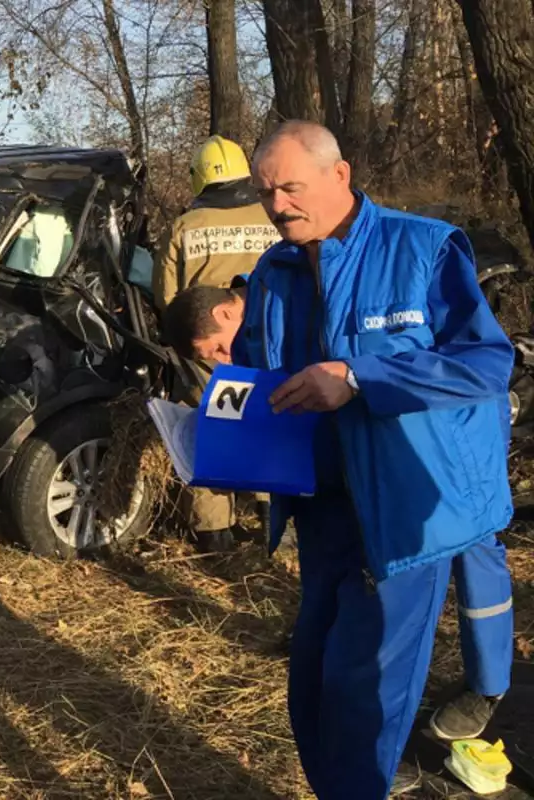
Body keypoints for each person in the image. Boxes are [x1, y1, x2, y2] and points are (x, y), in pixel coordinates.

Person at [229, 120, 514, 798]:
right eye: (266, 193)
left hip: (403, 517)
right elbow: (259, 374)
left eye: (290, 188)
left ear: (340, 176)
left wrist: (359, 378)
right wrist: (218, 412)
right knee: (312, 686)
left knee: (366, 697)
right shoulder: (274, 270)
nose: (278, 206)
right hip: (318, 510)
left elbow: (485, 363)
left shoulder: (422, 249)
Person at [153, 135, 280, 552]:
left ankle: (214, 534)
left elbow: (170, 302)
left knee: (210, 428)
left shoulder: (184, 227)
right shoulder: (271, 213)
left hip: (208, 349)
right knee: (268, 425)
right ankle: (272, 518)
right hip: (266, 344)